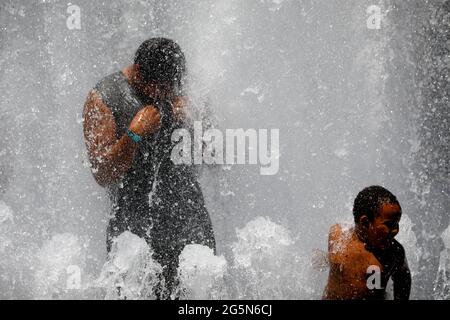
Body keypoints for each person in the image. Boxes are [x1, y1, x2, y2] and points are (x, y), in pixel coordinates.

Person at [83, 38, 216, 298]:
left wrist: (199, 121)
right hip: (133, 230)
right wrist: (133, 135)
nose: (169, 94)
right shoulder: (104, 98)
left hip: (190, 224)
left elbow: (214, 158)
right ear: (140, 76)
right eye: (163, 88)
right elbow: (102, 174)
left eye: (174, 86)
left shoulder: (188, 92)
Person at [323, 186, 411, 300]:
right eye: (389, 225)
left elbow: (403, 278)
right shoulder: (338, 235)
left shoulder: (393, 254)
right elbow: (337, 262)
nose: (396, 231)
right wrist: (325, 259)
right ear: (365, 223)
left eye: (397, 224)